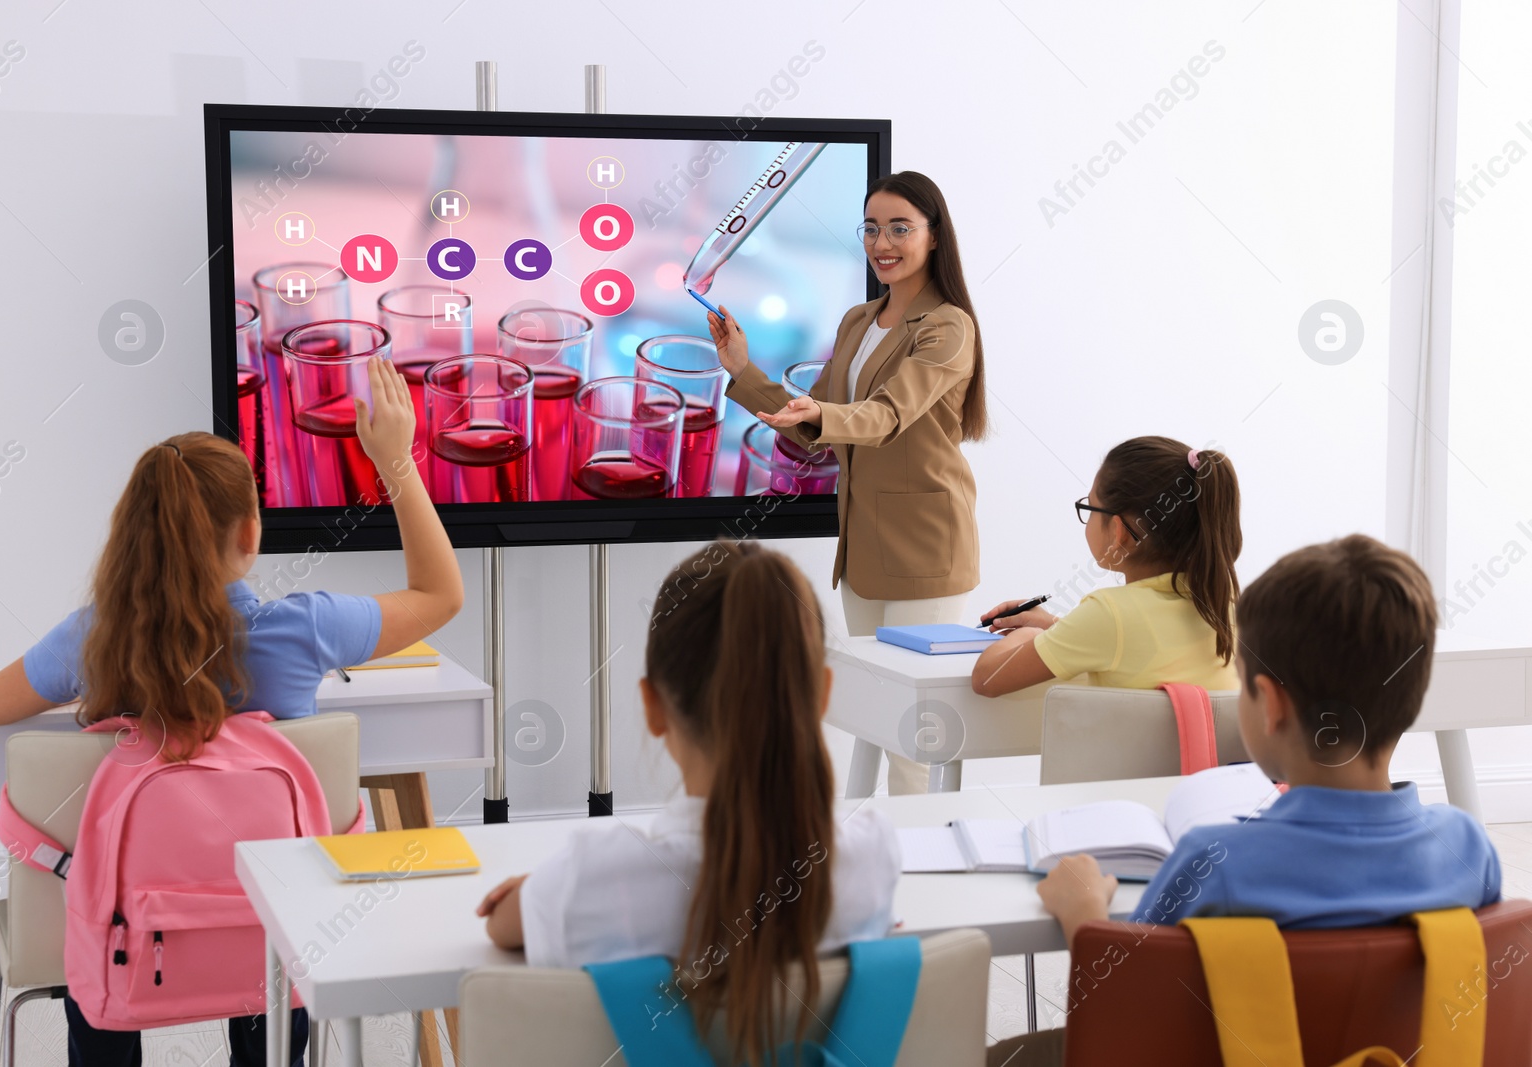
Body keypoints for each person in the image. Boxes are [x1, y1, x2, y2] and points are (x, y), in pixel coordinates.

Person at [0, 359, 464, 1067]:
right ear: (250, 534)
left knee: (101, 947)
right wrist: (396, 462)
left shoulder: (93, 639)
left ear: (135, 537)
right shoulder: (305, 631)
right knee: (272, 929)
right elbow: (441, 594)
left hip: (127, 936)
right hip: (273, 934)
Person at [993, 535, 1502, 1065]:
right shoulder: (1469, 847)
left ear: (1272, 707)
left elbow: (1128, 1002)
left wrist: (1086, 915)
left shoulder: (1215, 863)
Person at [475, 540, 900, 1065]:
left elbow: (502, 926)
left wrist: (539, 888)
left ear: (653, 706)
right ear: (821, 695)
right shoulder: (875, 860)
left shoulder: (589, 881)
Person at [708, 170, 986, 794]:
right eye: (870, 228)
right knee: (875, 716)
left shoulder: (947, 327)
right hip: (862, 550)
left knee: (911, 734)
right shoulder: (859, 321)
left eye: (899, 228)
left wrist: (824, 414)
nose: (881, 242)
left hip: (925, 548)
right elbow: (818, 428)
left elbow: (886, 416)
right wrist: (743, 370)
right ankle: (863, 849)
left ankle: (916, 864)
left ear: (934, 237)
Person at [972, 436, 1241, 698]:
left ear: (1118, 531)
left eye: (1090, 507)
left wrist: (1029, 636)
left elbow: (986, 679)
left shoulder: (1108, 613)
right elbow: (1132, 641)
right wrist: (1054, 626)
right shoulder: (1222, 603)